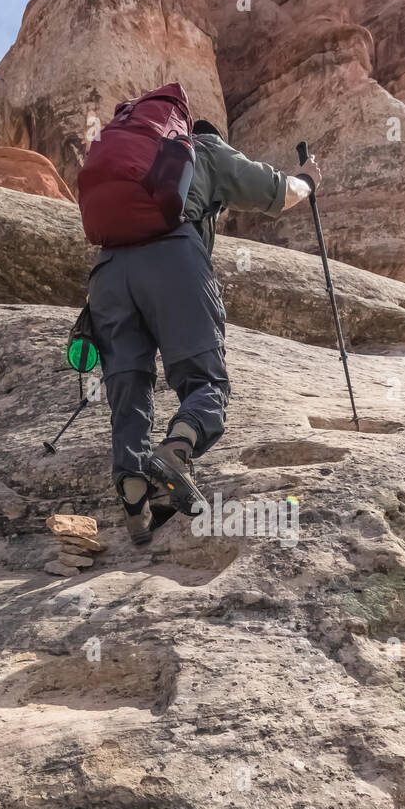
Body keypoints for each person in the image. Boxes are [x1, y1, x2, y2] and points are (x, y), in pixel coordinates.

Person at [87, 120, 322, 544]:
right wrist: (305, 180)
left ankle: (136, 502)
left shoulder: (134, 165)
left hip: (108, 272)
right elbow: (271, 188)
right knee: (204, 376)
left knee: (128, 382)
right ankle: (177, 451)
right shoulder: (205, 147)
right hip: (171, 258)